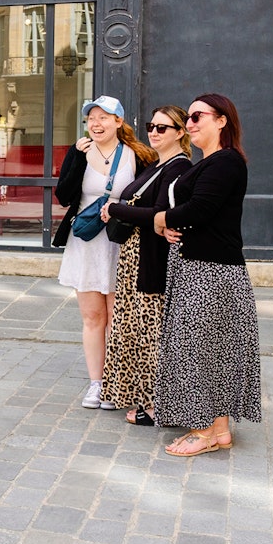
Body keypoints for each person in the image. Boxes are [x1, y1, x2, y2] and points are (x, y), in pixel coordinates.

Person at [151, 93, 263, 456]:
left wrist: (158, 219)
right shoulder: (212, 162)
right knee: (214, 351)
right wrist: (169, 224)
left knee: (192, 351)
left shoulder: (225, 162)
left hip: (210, 273)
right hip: (201, 267)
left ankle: (201, 431)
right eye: (189, 119)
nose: (190, 124)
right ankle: (219, 430)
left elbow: (198, 210)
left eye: (198, 116)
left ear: (222, 121)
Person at [53, 96, 157, 409]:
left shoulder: (138, 155)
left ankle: (115, 382)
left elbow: (150, 197)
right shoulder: (79, 151)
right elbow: (63, 196)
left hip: (120, 242)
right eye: (91, 119)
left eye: (104, 117)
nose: (96, 124)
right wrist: (77, 158)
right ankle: (96, 384)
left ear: (118, 122)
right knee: (92, 316)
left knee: (117, 316)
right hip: (86, 243)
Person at [99, 106, 192, 424]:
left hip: (150, 257)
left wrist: (117, 209)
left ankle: (157, 406)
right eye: (151, 125)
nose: (154, 132)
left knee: (151, 333)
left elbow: (159, 212)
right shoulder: (156, 164)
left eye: (163, 128)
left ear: (180, 132)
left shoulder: (178, 168)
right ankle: (144, 399)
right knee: (137, 329)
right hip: (134, 255)